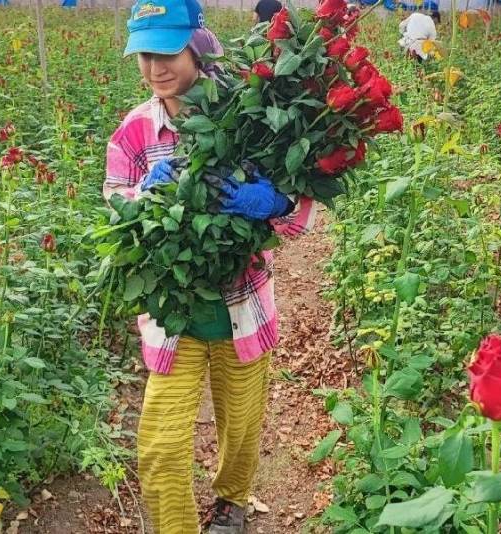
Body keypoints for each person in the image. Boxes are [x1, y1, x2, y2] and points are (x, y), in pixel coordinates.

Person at [104, 0, 317, 532]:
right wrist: (136, 200)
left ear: (196, 46)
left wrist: (274, 203)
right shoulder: (133, 133)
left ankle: (231, 505)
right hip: (174, 313)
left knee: (241, 425)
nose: (156, 68)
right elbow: (113, 207)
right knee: (160, 445)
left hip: (241, 305)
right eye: (144, 55)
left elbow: (300, 211)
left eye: (167, 52)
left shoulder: (245, 118)